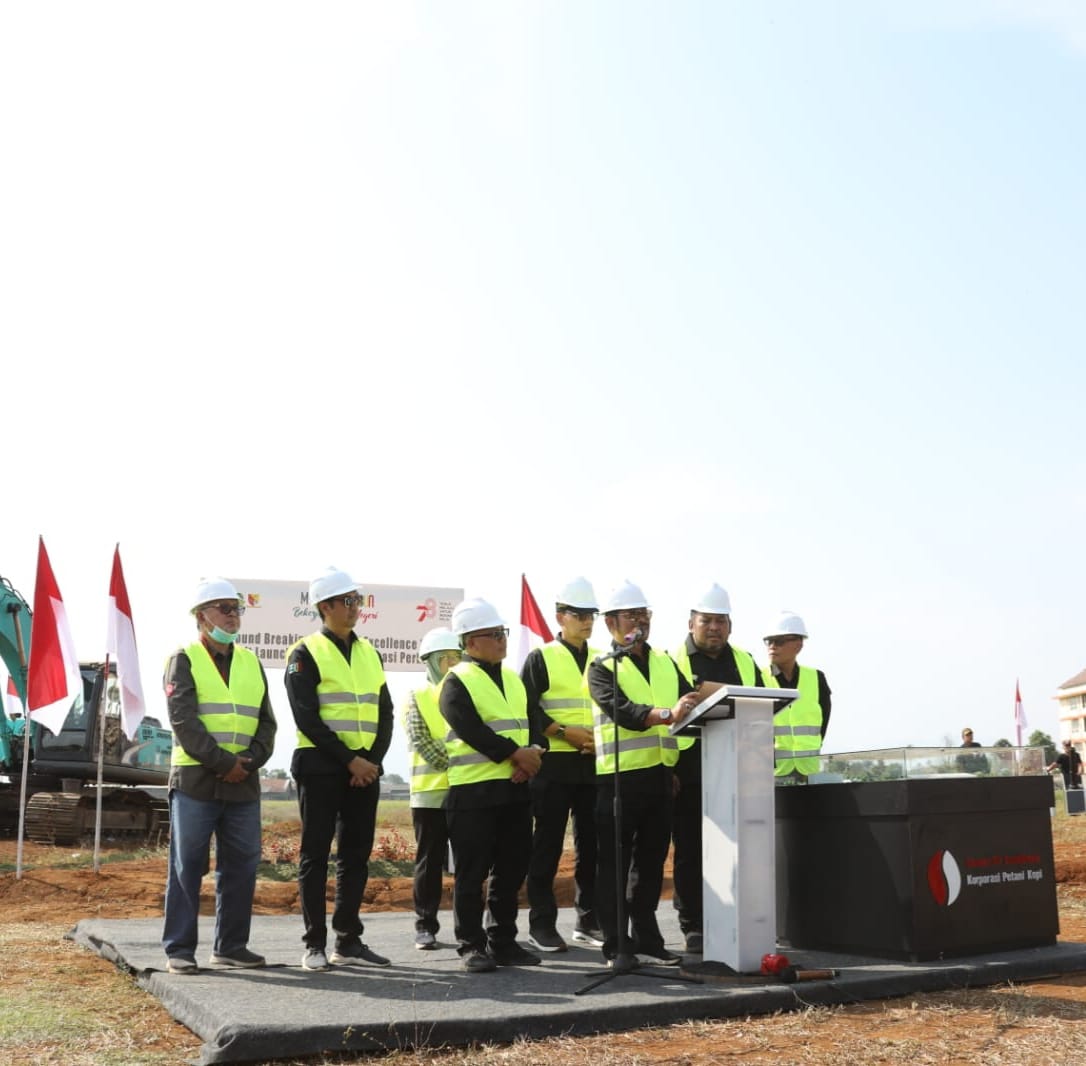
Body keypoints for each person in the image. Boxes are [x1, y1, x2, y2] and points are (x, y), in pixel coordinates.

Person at [162, 578, 277, 975]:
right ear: (201, 616)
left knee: (242, 864)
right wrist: (223, 762)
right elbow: (183, 722)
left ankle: (231, 946)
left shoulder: (251, 662)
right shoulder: (184, 659)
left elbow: (267, 723)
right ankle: (180, 949)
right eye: (224, 608)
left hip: (243, 781)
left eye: (236, 608)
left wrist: (250, 760)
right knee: (188, 866)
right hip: (196, 780)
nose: (233, 615)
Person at [285, 567, 394, 973]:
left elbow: (385, 711)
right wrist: (350, 760)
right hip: (321, 767)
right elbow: (307, 717)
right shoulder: (305, 653)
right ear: (325, 606)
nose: (356, 608)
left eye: (358, 600)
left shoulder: (370, 652)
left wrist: (372, 762)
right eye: (348, 601)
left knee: (356, 856)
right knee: (315, 855)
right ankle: (314, 943)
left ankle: (348, 940)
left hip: (364, 771)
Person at [588, 580, 700, 968]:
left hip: (660, 777)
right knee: (614, 867)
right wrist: (667, 713)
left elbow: (692, 702)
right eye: (631, 616)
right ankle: (616, 945)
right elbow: (623, 710)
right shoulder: (602, 667)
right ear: (610, 623)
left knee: (651, 865)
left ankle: (648, 939)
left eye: (644, 614)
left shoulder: (666, 661)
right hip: (619, 780)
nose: (640, 622)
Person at [439, 597, 544, 973]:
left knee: (511, 871)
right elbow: (470, 729)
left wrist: (533, 755)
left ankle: (502, 941)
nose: (502, 640)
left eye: (503, 633)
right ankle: (471, 944)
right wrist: (515, 755)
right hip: (474, 793)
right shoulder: (456, 681)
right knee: (472, 874)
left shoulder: (514, 680)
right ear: (470, 642)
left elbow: (533, 724)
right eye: (494, 634)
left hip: (515, 790)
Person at [670, 583, 763, 954]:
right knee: (691, 850)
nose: (714, 628)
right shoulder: (671, 660)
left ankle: (731, 918)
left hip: (735, 769)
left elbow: (762, 705)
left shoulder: (745, 661)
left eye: (720, 621)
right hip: (688, 771)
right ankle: (693, 924)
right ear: (691, 623)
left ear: (730, 625)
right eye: (706, 620)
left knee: (734, 848)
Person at [520, 577, 603, 954]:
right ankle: (541, 924)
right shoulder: (542, 657)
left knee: (592, 848)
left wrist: (597, 740)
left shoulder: (602, 658)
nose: (586, 621)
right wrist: (564, 732)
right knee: (547, 847)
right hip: (553, 765)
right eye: (579, 615)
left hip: (592, 764)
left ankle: (588, 921)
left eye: (590, 615)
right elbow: (527, 708)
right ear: (560, 617)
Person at [401, 626, 461, 950]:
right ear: (430, 662)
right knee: (430, 861)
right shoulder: (417, 696)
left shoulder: (469, 691)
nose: (452, 663)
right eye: (445, 658)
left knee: (468, 863)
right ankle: (425, 926)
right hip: (430, 794)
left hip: (466, 791)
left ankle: (469, 930)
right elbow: (424, 743)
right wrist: (464, 759)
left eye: (457, 656)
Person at [761, 612, 832, 783]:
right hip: (771, 772)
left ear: (798, 644)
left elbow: (823, 722)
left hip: (809, 771)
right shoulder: (758, 678)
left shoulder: (816, 678)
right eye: (769, 641)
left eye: (779, 641)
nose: (772, 646)